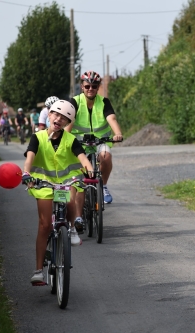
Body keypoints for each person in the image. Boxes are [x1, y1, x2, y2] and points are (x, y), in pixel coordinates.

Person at [21, 100, 94, 285]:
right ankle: (38, 271)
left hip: (65, 183)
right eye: (56, 115)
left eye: (64, 118)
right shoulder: (37, 137)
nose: (59, 119)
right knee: (44, 225)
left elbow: (83, 158)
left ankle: (70, 229)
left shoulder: (71, 140)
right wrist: (26, 173)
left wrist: (89, 169)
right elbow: (30, 156)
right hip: (43, 185)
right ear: (49, 114)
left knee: (70, 201)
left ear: (67, 123)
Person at [66, 70, 122, 231]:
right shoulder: (75, 102)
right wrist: (66, 139)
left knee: (105, 156)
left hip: (100, 140)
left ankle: (102, 186)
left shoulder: (104, 102)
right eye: (87, 86)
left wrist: (117, 133)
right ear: (82, 87)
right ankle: (78, 218)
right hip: (80, 142)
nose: (91, 88)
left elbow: (111, 119)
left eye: (94, 86)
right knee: (81, 180)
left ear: (98, 88)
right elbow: (69, 123)